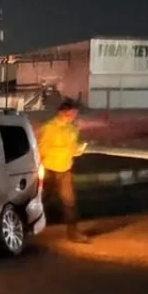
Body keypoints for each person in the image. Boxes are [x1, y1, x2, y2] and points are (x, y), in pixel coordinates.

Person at [37, 99, 90, 243]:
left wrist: (79, 149)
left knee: (70, 202)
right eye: (72, 113)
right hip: (49, 169)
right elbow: (42, 148)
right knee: (41, 200)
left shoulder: (72, 128)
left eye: (75, 114)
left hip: (65, 169)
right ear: (62, 112)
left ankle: (73, 233)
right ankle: (26, 228)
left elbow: (73, 148)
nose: (74, 116)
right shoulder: (49, 127)